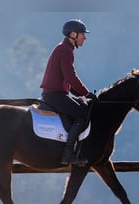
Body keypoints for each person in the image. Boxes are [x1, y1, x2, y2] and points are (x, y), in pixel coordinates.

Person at [40, 19, 97, 167]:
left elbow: (65, 80)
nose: (85, 37)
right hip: (55, 96)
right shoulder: (65, 51)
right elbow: (71, 77)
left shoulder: (64, 49)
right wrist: (87, 93)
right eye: (82, 34)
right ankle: (68, 155)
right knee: (83, 115)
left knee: (81, 109)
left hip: (55, 94)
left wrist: (80, 93)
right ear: (73, 34)